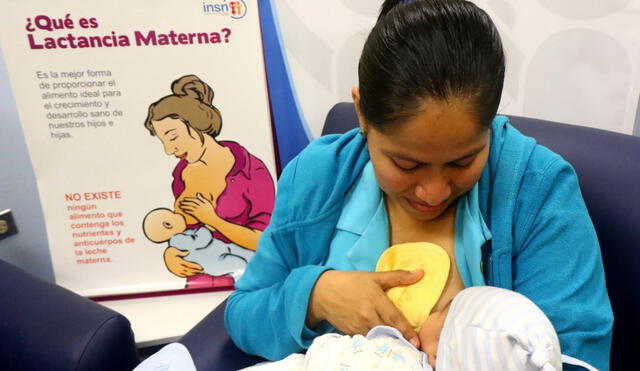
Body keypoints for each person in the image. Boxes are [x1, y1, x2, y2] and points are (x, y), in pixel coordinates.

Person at [225, 0, 613, 369]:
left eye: (463, 161)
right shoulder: (318, 175)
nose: (434, 192)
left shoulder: (537, 190)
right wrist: (315, 296)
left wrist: (484, 350)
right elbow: (244, 315)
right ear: (362, 113)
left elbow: (579, 358)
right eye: (405, 164)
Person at [144, 74, 275, 287]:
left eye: (173, 137)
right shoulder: (182, 173)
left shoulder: (251, 170)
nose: (169, 150)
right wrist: (172, 255)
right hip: (200, 278)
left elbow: (265, 242)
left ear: (196, 125)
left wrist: (214, 220)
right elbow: (181, 228)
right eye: (163, 141)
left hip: (247, 280)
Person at [142, 207, 254, 279]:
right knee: (239, 265)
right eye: (173, 214)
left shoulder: (184, 233)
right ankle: (246, 282)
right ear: (168, 225)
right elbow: (201, 241)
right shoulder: (177, 241)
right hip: (217, 261)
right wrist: (206, 227)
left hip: (223, 248)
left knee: (247, 253)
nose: (177, 213)